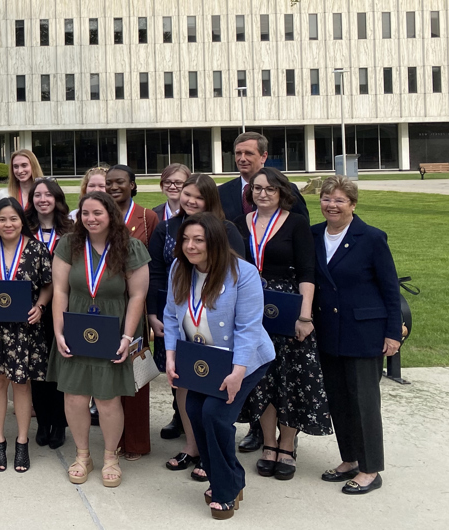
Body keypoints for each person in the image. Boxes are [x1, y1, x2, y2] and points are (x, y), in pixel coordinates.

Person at [163, 212, 275, 519]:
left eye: (198, 239)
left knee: (215, 414)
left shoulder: (243, 273)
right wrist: (171, 357)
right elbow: (172, 318)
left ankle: (228, 487)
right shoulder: (178, 268)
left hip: (244, 359)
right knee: (196, 413)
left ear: (215, 241)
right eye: (186, 239)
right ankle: (223, 476)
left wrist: (238, 371)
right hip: (203, 361)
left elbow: (249, 328)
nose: (190, 246)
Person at [235, 167, 331, 481]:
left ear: (281, 192)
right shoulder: (240, 225)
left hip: (289, 310)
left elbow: (307, 273)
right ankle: (269, 444)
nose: (262, 193)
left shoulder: (296, 224)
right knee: (262, 379)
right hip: (252, 311)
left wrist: (304, 316)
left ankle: (287, 445)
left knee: (291, 380)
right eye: (257, 188)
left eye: (270, 189)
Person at [48, 192, 149, 488]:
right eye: (85, 213)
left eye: (97, 213)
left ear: (111, 216)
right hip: (76, 325)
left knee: (107, 398)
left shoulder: (131, 247)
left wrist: (127, 336)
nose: (90, 219)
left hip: (114, 328)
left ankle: (109, 457)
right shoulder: (69, 244)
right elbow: (60, 291)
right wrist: (59, 330)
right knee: (76, 397)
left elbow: (138, 296)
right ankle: (82, 456)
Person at [147, 173, 246, 476]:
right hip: (179, 320)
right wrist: (155, 314)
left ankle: (211, 451)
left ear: (210, 200)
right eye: (186, 194)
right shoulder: (167, 228)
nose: (190, 200)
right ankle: (192, 446)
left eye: (198, 197)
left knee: (213, 389)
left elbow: (238, 276)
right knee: (185, 385)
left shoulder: (226, 230)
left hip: (217, 325)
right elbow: (157, 273)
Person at [312, 176, 401, 495]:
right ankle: (349, 459)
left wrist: (393, 333)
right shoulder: (313, 235)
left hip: (364, 333)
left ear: (352, 204)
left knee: (364, 402)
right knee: (339, 400)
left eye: (338, 200)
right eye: (326, 198)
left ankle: (370, 468)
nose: (331, 205)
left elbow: (390, 289)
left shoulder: (372, 238)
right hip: (329, 334)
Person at [0, 197, 53, 473]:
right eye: (2, 219)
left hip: (25, 328)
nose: (8, 224)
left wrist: (40, 307)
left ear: (22, 222)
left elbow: (48, 286)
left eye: (13, 218)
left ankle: (22, 442)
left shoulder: (37, 250)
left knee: (22, 385)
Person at [103, 164, 158, 460]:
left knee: (136, 374)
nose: (113, 187)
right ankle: (114, 436)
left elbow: (156, 266)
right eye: (109, 182)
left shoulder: (147, 218)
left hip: (136, 307)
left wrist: (151, 315)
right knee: (109, 372)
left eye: (120, 182)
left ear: (133, 185)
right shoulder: (99, 217)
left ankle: (136, 441)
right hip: (105, 306)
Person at [27, 178, 74, 451]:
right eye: (37, 195)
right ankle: (43, 421)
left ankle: (59, 423)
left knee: (61, 365)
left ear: (57, 199)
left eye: (48, 195)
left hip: (65, 306)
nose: (42, 199)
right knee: (38, 366)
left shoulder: (71, 230)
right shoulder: (25, 228)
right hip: (33, 307)